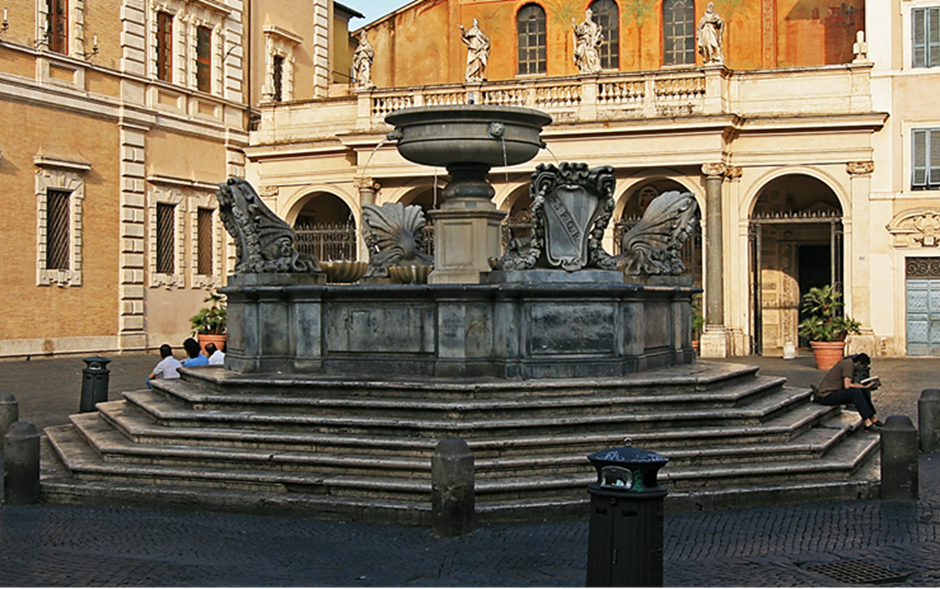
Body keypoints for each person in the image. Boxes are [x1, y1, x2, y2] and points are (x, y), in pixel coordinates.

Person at [815, 352, 883, 432]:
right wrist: (864, 386)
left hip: (834, 392)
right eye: (864, 367)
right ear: (858, 363)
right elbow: (847, 385)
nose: (863, 369)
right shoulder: (848, 365)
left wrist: (866, 387)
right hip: (826, 396)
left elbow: (851, 385)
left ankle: (873, 418)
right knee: (856, 394)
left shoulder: (850, 365)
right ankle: (868, 423)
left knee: (861, 391)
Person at [572, 9, 602, 74]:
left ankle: (590, 68)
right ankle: (585, 67)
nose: (587, 16)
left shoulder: (593, 25)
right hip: (583, 42)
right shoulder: (582, 25)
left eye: (588, 15)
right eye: (586, 15)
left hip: (590, 44)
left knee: (590, 55)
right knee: (582, 54)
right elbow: (578, 32)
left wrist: (592, 43)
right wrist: (574, 25)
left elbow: (594, 34)